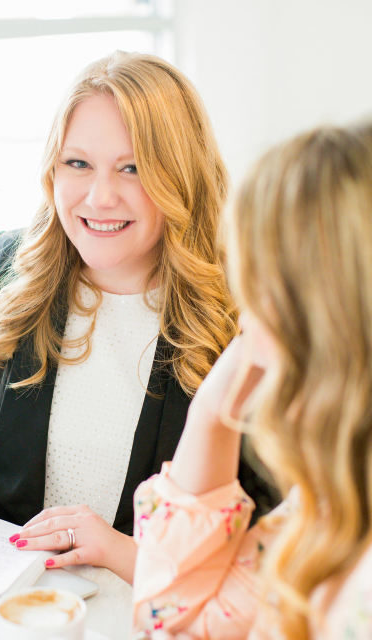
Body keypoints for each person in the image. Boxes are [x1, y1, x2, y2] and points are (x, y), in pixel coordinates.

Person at [0, 51, 276, 583]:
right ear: (51, 170)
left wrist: (115, 550)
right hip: (8, 611)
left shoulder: (247, 316)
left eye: (132, 168)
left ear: (182, 176)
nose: (99, 196)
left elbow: (275, 531)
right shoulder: (3, 268)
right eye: (77, 163)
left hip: (152, 616)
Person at [132, 121, 372, 638]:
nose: (243, 329)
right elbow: (176, 624)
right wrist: (212, 416)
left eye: (257, 298)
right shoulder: (330, 503)